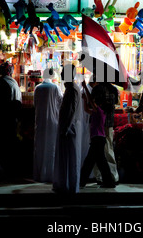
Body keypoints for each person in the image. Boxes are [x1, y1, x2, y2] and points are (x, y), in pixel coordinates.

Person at [0, 61, 22, 175]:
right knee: (8, 145)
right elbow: (17, 103)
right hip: (9, 119)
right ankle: (8, 169)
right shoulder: (13, 84)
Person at [53, 64, 83, 194]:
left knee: (70, 158)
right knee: (68, 158)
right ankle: (66, 184)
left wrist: (65, 129)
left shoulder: (72, 90)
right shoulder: (71, 89)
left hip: (70, 129)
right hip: (68, 128)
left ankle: (70, 186)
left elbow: (71, 112)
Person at [80, 80, 115, 188]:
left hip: (98, 139)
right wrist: (85, 100)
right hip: (98, 139)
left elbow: (91, 102)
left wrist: (85, 88)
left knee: (90, 161)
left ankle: (81, 181)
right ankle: (108, 182)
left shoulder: (99, 111)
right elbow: (86, 109)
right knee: (99, 161)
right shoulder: (98, 111)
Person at [33, 68, 63, 183]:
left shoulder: (37, 88)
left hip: (39, 121)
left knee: (39, 148)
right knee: (51, 148)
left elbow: (35, 104)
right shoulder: (55, 88)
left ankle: (40, 174)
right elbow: (61, 102)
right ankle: (50, 174)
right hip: (52, 121)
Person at [91, 66, 120, 185]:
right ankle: (113, 175)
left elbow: (91, 105)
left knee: (97, 150)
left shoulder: (97, 89)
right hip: (109, 123)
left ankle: (100, 176)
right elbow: (117, 103)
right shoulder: (114, 89)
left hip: (98, 124)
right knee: (109, 148)